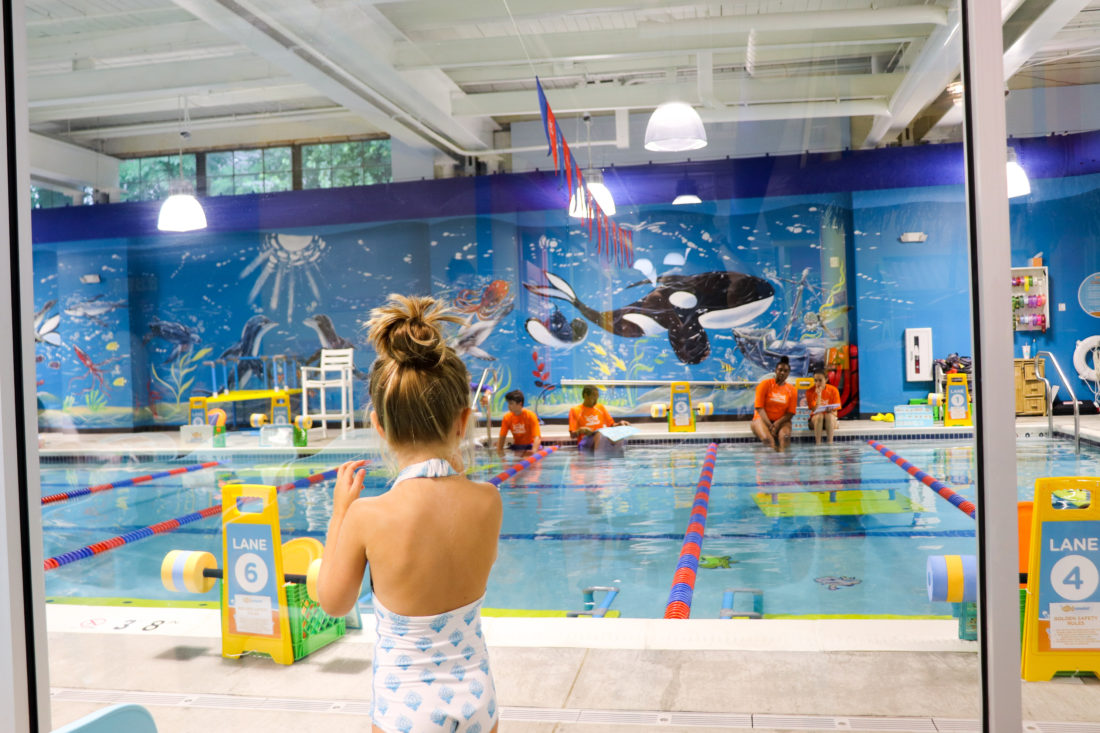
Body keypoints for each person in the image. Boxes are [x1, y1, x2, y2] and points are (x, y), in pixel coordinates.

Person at [316, 294, 501, 733]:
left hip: (406, 704)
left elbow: (333, 602)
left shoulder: (368, 515)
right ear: (463, 421)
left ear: (379, 425)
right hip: (478, 694)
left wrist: (340, 513)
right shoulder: (488, 500)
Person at [751, 356, 797, 452]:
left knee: (785, 439)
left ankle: (783, 462)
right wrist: (770, 425)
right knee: (768, 441)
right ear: (775, 370)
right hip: (761, 420)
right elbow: (759, 408)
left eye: (785, 371)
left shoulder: (792, 390)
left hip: (781, 421)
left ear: (788, 373)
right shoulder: (764, 384)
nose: (782, 373)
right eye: (780, 370)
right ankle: (771, 464)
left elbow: (790, 413)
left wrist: (777, 424)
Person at [568, 385, 628, 451]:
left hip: (600, 441)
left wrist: (620, 424)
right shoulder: (575, 410)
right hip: (585, 443)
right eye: (593, 396)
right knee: (599, 435)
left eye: (597, 396)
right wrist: (580, 430)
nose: (596, 399)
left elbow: (611, 425)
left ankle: (619, 457)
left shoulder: (600, 407)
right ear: (585, 396)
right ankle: (600, 457)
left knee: (617, 436)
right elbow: (572, 435)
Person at [496, 389, 541, 457]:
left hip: (530, 446)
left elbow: (537, 438)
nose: (508, 406)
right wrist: (499, 452)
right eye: (508, 403)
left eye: (511, 403)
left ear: (520, 403)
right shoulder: (507, 417)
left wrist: (533, 451)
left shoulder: (531, 416)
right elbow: (502, 437)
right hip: (517, 446)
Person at [806, 369, 842, 444]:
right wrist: (819, 395)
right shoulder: (810, 391)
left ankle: (830, 443)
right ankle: (818, 444)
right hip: (815, 421)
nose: (817, 383)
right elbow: (814, 410)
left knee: (828, 415)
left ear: (826, 379)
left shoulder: (833, 390)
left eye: (820, 380)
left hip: (829, 421)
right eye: (815, 380)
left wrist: (830, 411)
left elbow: (836, 414)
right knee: (819, 416)